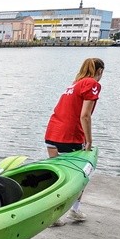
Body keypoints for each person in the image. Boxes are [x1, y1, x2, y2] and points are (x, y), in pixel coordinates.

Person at [44, 57, 104, 225]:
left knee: (58, 175)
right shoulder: (92, 84)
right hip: (69, 136)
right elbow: (85, 115)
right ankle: (74, 211)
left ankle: (51, 215)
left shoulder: (73, 85)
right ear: (99, 71)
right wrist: (89, 141)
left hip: (52, 133)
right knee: (80, 175)